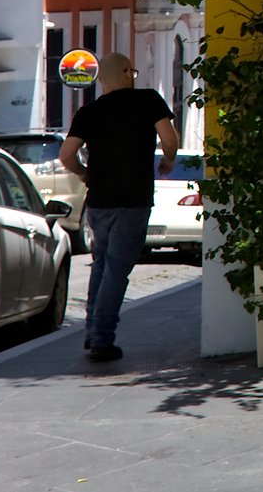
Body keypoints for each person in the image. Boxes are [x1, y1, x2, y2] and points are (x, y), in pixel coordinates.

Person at [59, 52, 179, 364]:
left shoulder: (89, 112)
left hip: (99, 200)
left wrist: (84, 173)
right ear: (127, 72)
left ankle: (90, 330)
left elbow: (66, 154)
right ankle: (101, 338)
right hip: (133, 198)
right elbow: (169, 139)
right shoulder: (148, 100)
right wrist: (168, 159)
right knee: (116, 268)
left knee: (101, 263)